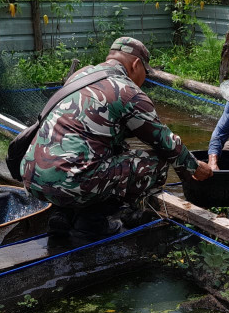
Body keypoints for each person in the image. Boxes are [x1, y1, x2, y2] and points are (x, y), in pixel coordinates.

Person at [21, 37, 213, 244]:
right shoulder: (128, 92)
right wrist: (195, 167)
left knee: (108, 152)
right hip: (71, 183)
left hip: (32, 176)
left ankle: (61, 216)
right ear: (136, 65)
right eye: (145, 73)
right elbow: (165, 142)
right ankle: (92, 223)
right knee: (158, 162)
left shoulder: (80, 75)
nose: (145, 79)